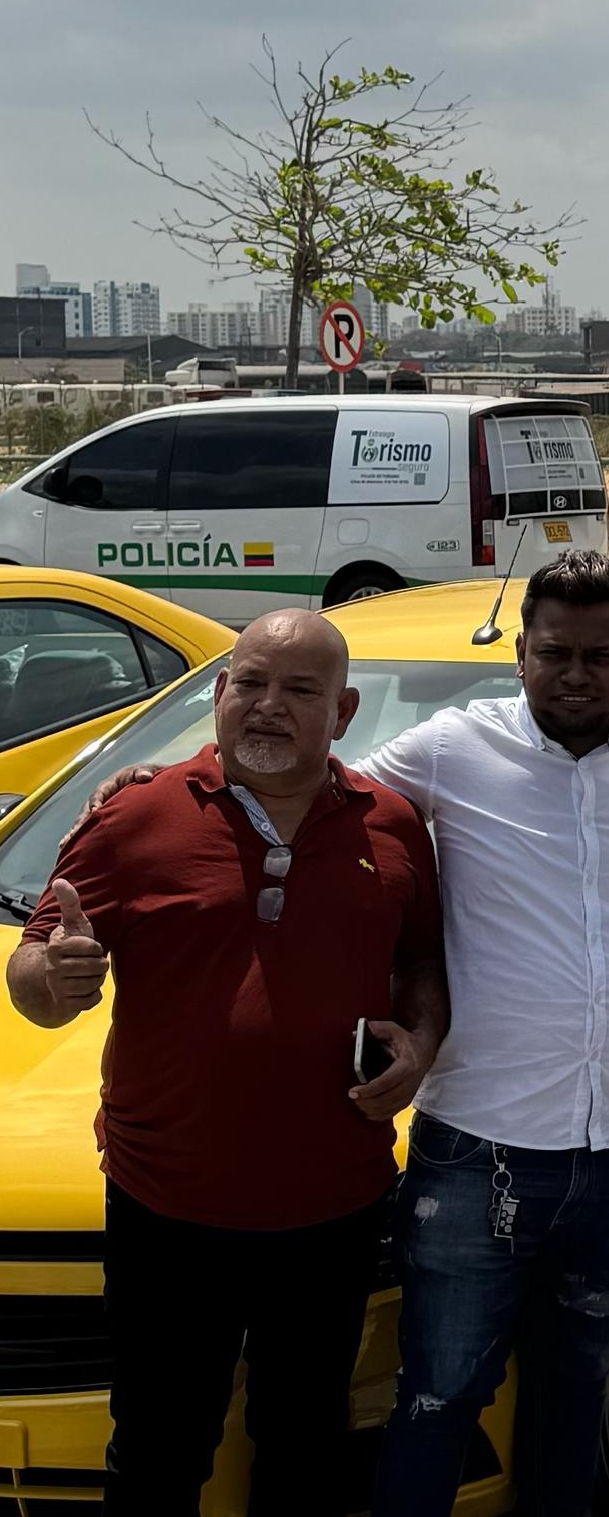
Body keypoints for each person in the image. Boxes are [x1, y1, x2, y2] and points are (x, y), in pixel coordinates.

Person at [6, 611, 446, 1516]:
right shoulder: (133, 817)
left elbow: (420, 965)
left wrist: (419, 1042)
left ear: (343, 711)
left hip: (334, 1210)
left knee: (304, 1448)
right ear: (219, 693)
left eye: (300, 690)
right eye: (250, 682)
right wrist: (54, 979)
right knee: (158, 1452)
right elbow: (35, 968)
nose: (269, 706)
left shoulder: (394, 825)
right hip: (167, 1212)